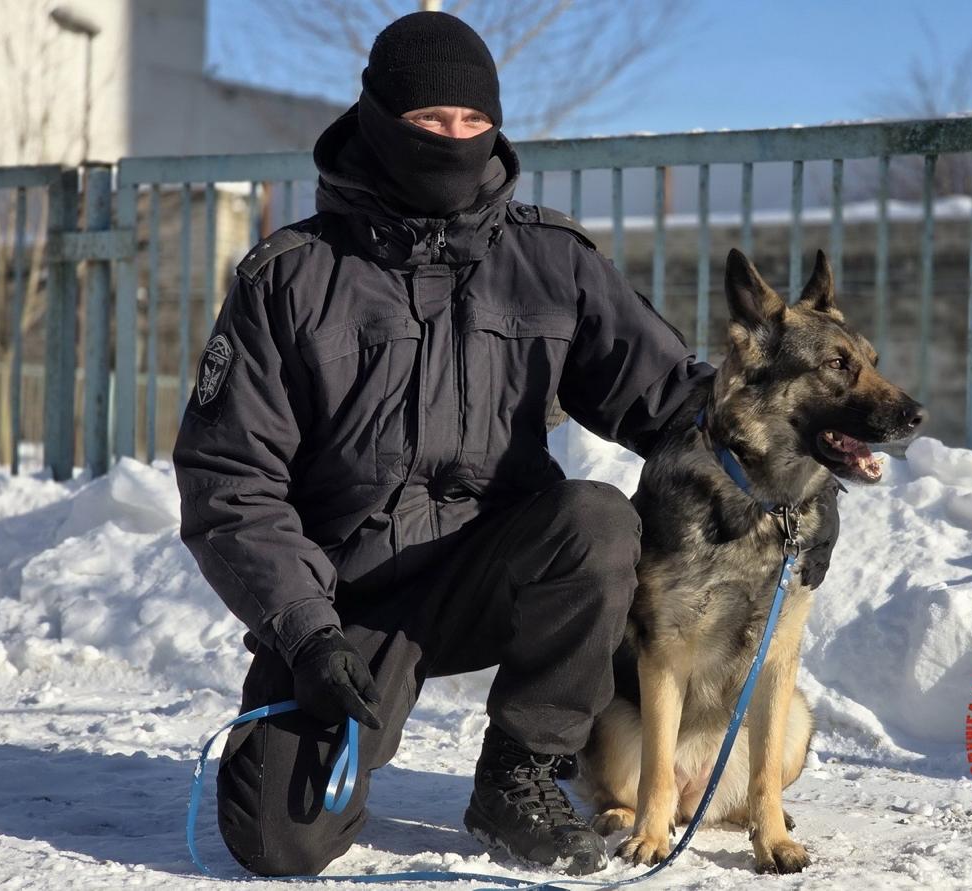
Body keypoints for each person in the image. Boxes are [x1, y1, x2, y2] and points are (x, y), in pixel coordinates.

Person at [172, 10, 711, 879]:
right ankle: (318, 722)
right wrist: (305, 633)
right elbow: (230, 481)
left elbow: (673, 401)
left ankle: (519, 774)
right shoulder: (291, 277)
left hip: (495, 569)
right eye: (429, 122)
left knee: (596, 519)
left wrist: (790, 461)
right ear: (381, 121)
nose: (453, 138)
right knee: (279, 838)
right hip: (348, 600)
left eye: (472, 122)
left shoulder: (550, 260)